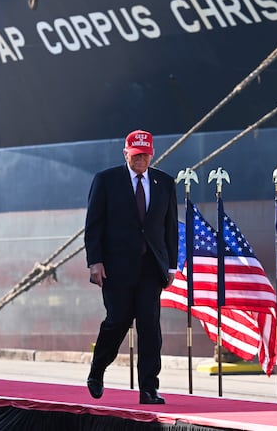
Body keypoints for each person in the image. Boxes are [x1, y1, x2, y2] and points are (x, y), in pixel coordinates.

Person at [85, 129, 178, 404]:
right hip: (116, 267)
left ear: (152, 154)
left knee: (150, 327)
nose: (141, 160)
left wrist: (171, 266)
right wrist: (95, 261)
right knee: (118, 320)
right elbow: (94, 225)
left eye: (145, 155)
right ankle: (97, 370)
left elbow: (170, 227)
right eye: (136, 155)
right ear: (126, 153)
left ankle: (148, 389)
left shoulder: (165, 182)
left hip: (151, 266)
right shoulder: (106, 180)